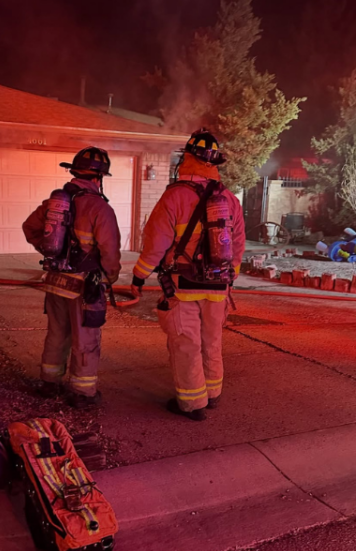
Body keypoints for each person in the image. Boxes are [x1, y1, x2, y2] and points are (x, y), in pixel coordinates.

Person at [130, 129, 246, 421]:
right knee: (212, 341)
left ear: (188, 159)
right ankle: (213, 393)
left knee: (186, 344)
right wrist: (229, 276)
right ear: (214, 163)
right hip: (219, 286)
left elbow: (155, 243)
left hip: (183, 286)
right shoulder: (230, 200)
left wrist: (138, 276)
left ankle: (194, 404)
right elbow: (239, 243)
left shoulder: (175, 197)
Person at [22, 147, 122, 409]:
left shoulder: (55, 203)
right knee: (85, 338)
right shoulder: (100, 208)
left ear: (75, 172)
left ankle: (49, 383)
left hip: (55, 281)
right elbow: (110, 251)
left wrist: (47, 250)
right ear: (98, 178)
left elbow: (29, 227)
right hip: (83, 286)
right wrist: (110, 276)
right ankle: (82, 392)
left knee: (56, 333)